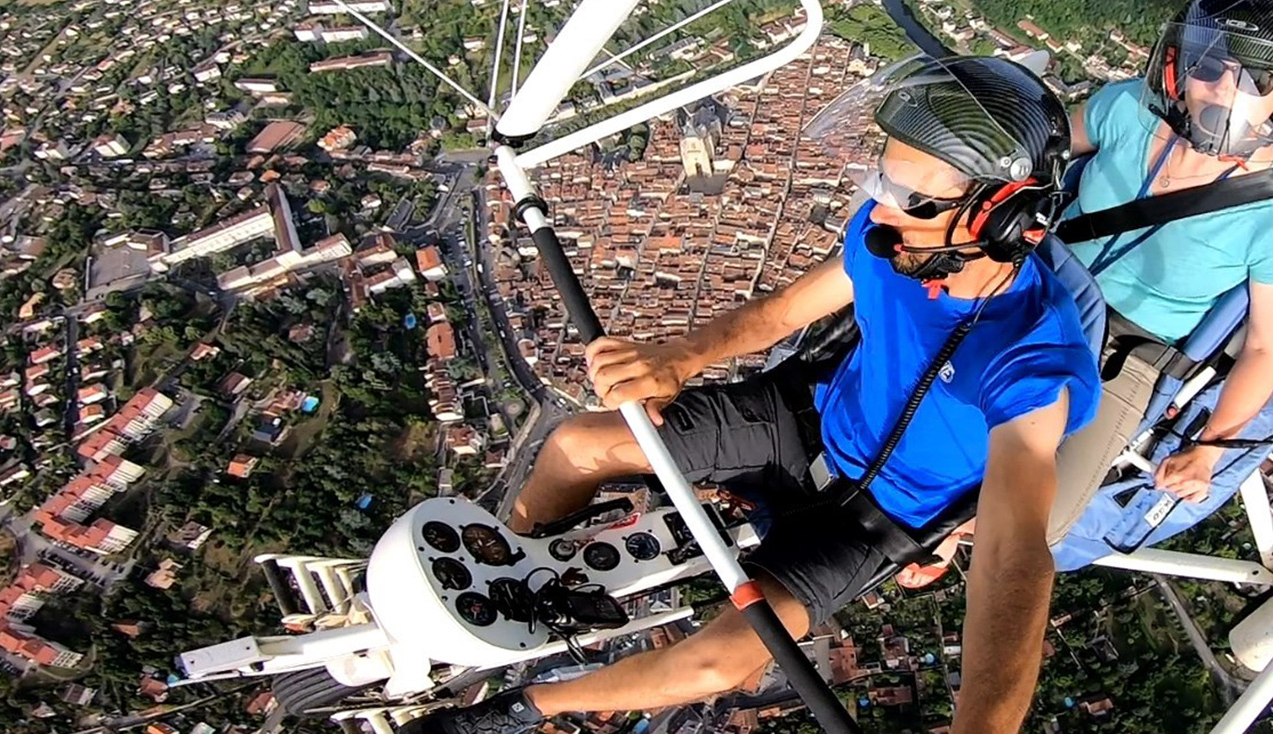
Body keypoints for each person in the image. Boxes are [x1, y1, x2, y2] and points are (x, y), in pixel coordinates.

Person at [408, 56, 1100, 734]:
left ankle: (523, 708)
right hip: (800, 420)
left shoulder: (1032, 362)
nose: (882, 211)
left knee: (717, 664)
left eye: (910, 198)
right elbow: (780, 314)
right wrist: (679, 356)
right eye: (884, 178)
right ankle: (513, 562)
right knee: (574, 446)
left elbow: (1014, 556)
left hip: (871, 522)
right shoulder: (888, 242)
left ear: (1003, 221)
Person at [1049, 0, 1273, 570]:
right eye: (1211, 65)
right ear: (1178, 68)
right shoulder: (1125, 110)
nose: (1227, 89)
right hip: (1034, 285)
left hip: (1123, 357)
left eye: (1258, 79)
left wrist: (1209, 450)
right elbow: (1037, 149)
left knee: (1039, 525)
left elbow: (1266, 349)